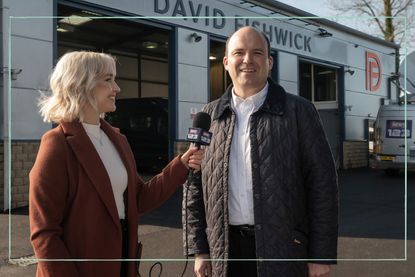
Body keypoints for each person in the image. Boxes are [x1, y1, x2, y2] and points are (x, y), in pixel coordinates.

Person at [29, 51, 204, 277]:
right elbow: (45, 233)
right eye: (108, 80)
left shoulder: (117, 139)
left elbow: (139, 198)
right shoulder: (57, 144)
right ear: (82, 84)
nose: (117, 88)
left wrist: (181, 164)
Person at [183, 26, 338, 277]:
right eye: (239, 53)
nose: (247, 60)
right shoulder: (209, 116)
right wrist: (200, 250)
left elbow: (323, 185)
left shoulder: (300, 112)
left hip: (284, 251)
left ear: (269, 62)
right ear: (225, 62)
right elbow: (193, 187)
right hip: (226, 252)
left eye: (257, 52)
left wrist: (320, 256)